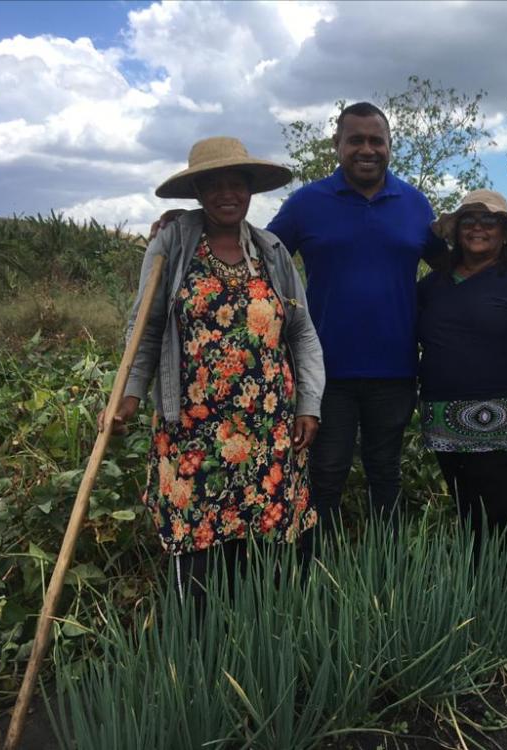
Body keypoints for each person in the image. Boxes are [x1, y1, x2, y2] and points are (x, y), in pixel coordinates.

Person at [100, 136, 325, 607]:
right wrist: (128, 395)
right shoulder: (173, 243)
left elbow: (301, 333)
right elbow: (146, 327)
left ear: (249, 191)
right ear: (199, 192)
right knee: (197, 547)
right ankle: (199, 653)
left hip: (267, 427)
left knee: (265, 545)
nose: (227, 194)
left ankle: (260, 646)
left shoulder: (271, 250)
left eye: (236, 184)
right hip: (193, 430)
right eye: (214, 184)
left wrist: (309, 402)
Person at [267, 102, 447, 533]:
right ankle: (316, 576)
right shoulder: (306, 203)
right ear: (338, 145)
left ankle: (384, 572)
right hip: (324, 373)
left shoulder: (415, 204)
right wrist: (190, 224)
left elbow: (454, 271)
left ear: (389, 146)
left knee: (386, 474)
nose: (367, 149)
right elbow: (260, 258)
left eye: (376, 140)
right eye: (356, 140)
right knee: (326, 476)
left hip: (396, 370)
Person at [417, 190, 507, 568]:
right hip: (444, 411)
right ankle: (477, 586)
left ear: (505, 232)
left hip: (500, 411)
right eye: (469, 221)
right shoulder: (434, 284)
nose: (477, 228)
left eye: (488, 221)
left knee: (496, 505)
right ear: (456, 230)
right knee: (464, 504)